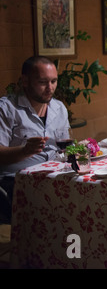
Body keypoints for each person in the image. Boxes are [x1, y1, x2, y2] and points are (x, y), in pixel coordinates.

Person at [0, 56, 70, 222]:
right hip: (17, 183)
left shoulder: (59, 108)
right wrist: (24, 151)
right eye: (43, 82)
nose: (50, 88)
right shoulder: (7, 109)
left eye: (54, 81)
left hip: (53, 176)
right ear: (25, 81)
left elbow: (66, 145)